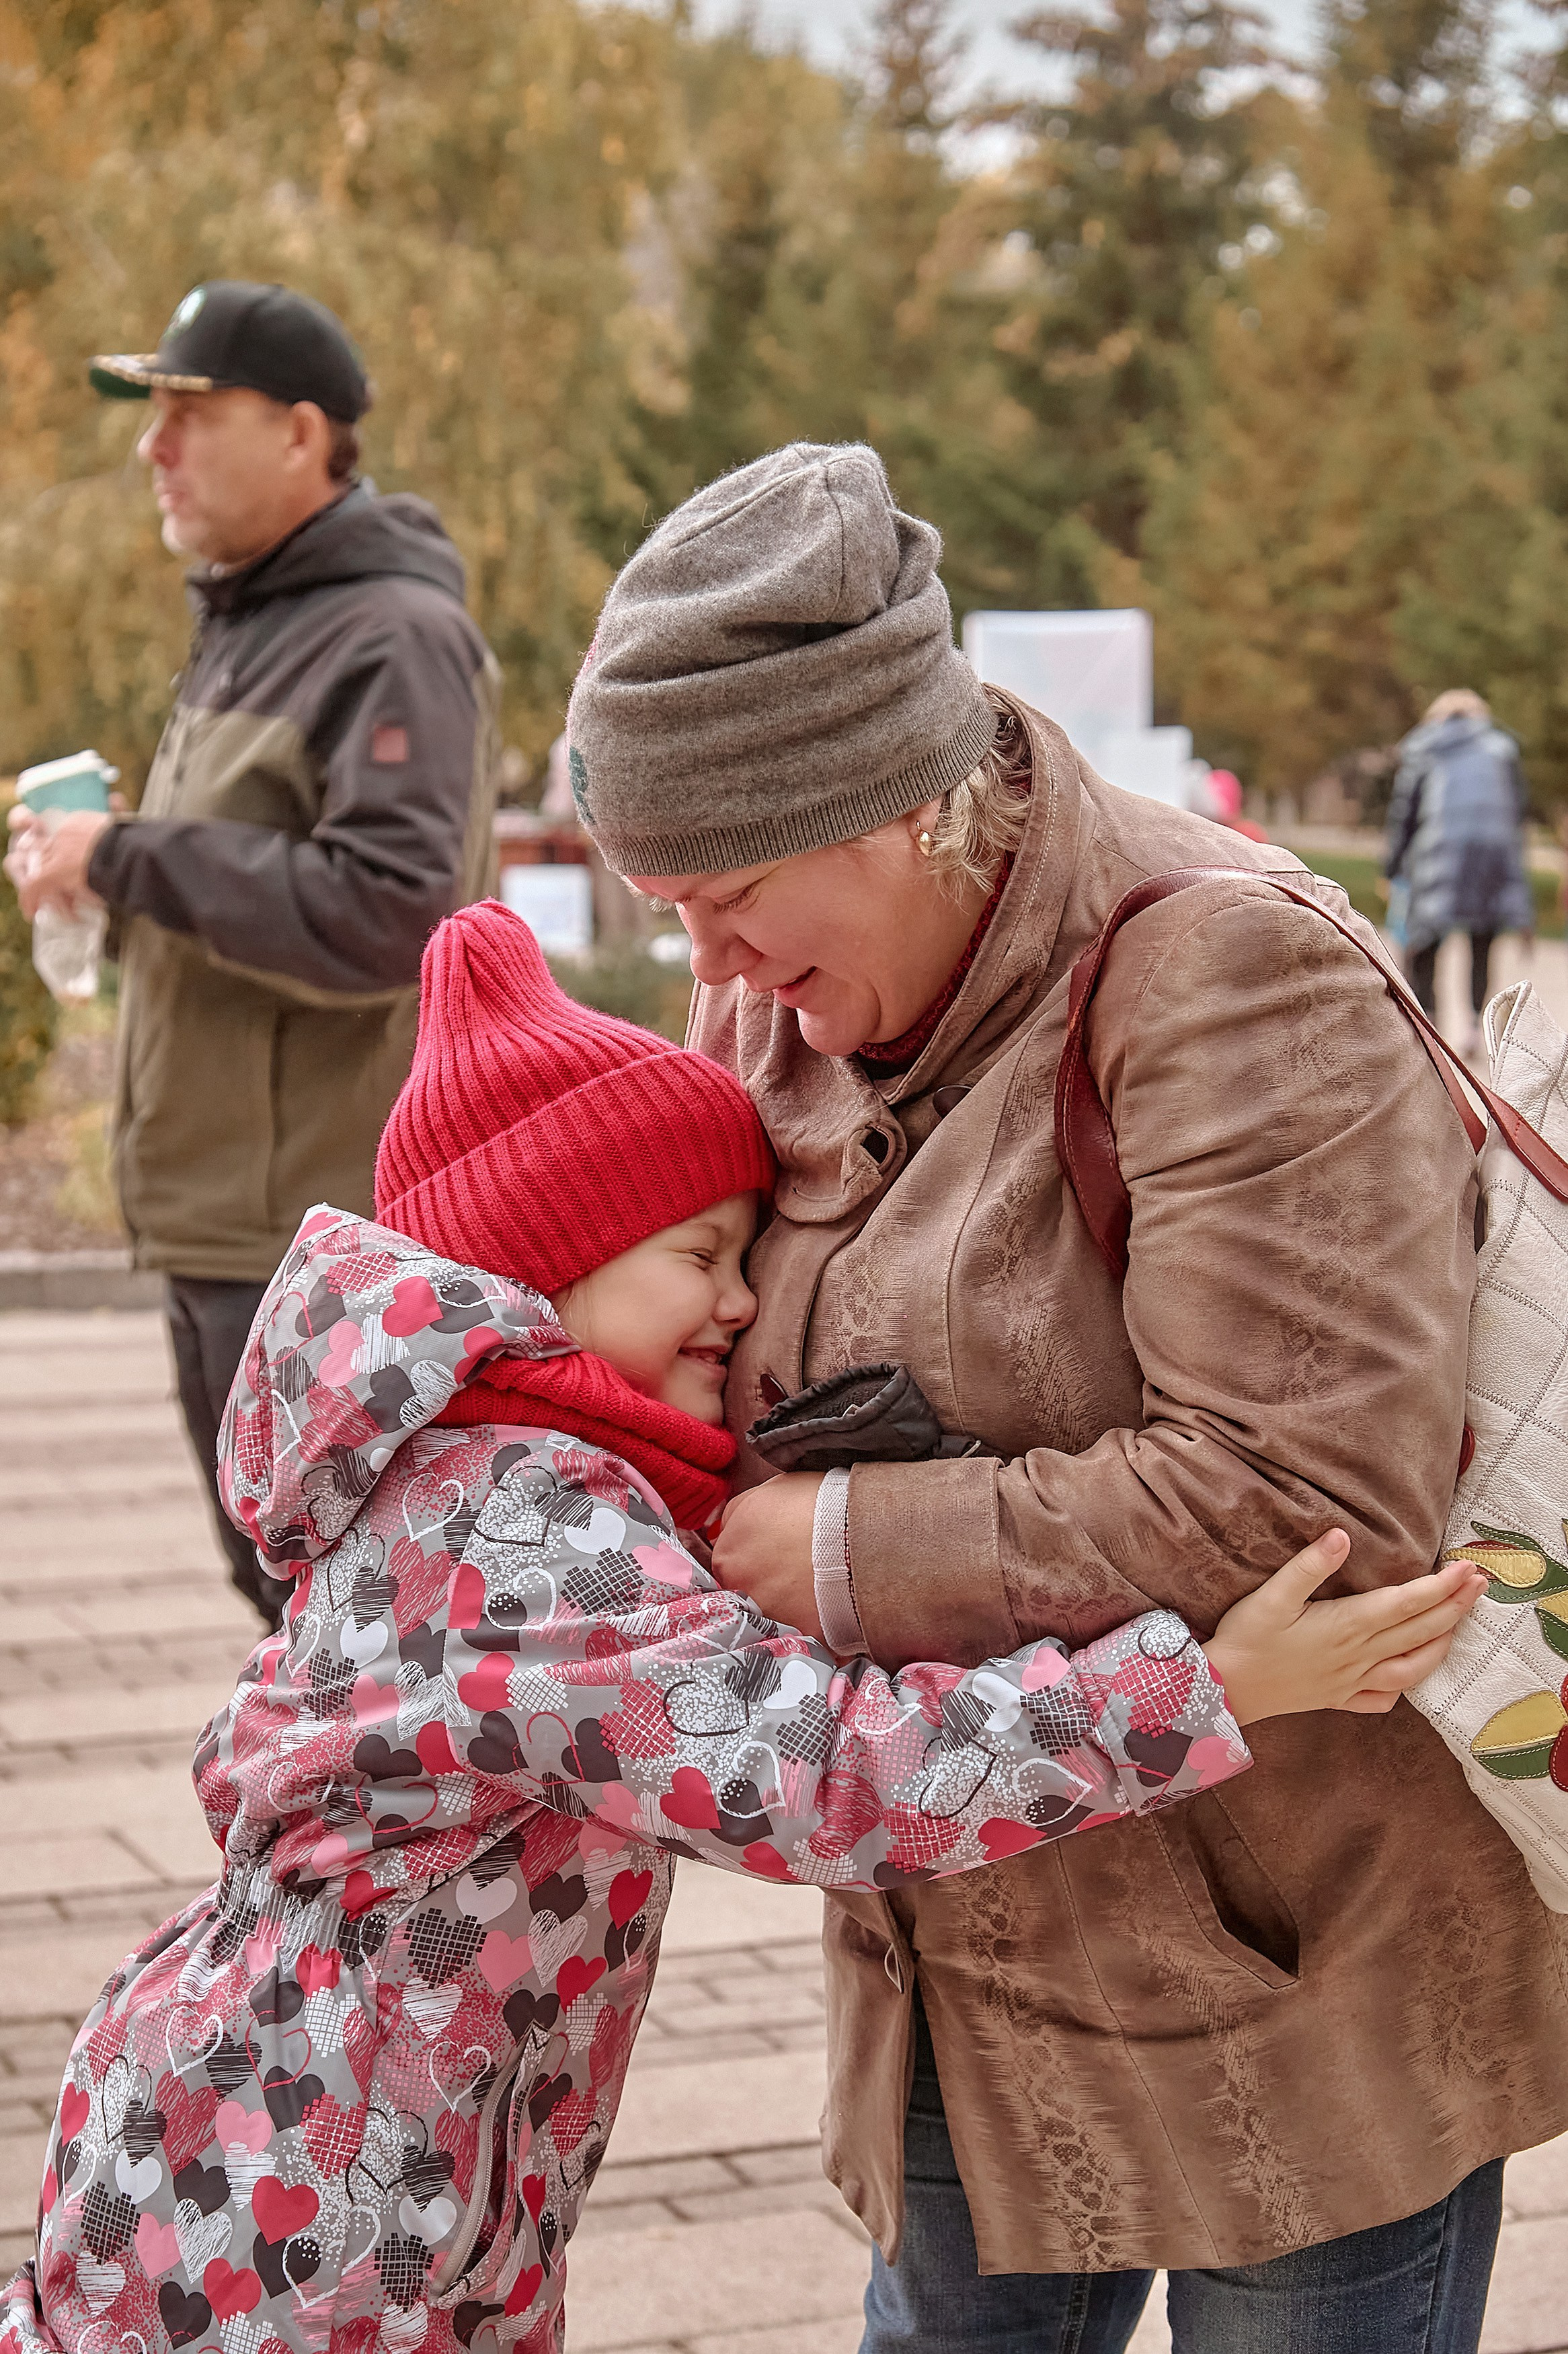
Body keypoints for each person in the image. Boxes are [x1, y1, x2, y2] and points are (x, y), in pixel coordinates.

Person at [0, 901, 1477, 2354]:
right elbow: (828, 1773)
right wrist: (1200, 1687)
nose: (739, 1300)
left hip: (291, 2143)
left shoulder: (464, 1472)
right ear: (550, 1265)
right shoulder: (523, 1530)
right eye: (699, 1253)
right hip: (310, 2210)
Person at [565, 441, 1568, 2354]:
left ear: (892, 803)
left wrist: (842, 1547)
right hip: (964, 1957)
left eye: (730, 895)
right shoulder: (775, 1000)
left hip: (1288, 1973)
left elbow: (1303, 1496)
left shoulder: (1227, 972)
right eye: (665, 907)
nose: (711, 968)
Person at [4, 281, 502, 1629]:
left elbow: (389, 912)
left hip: (313, 1229)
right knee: (286, 1593)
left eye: (188, 413)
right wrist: (103, 875)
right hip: (227, 1216)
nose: (151, 448)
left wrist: (128, 857)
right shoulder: (255, 626)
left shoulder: (393, 637)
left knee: (338, 1605)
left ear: (299, 433)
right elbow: (251, 887)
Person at [1385, 687, 1532, 1054]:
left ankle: (1427, 1025)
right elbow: (1516, 811)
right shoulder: (1502, 750)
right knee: (1482, 943)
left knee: (1424, 941)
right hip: (1492, 857)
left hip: (1437, 853)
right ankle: (1472, 1027)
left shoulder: (1425, 746)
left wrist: (1393, 865)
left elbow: (1404, 813)